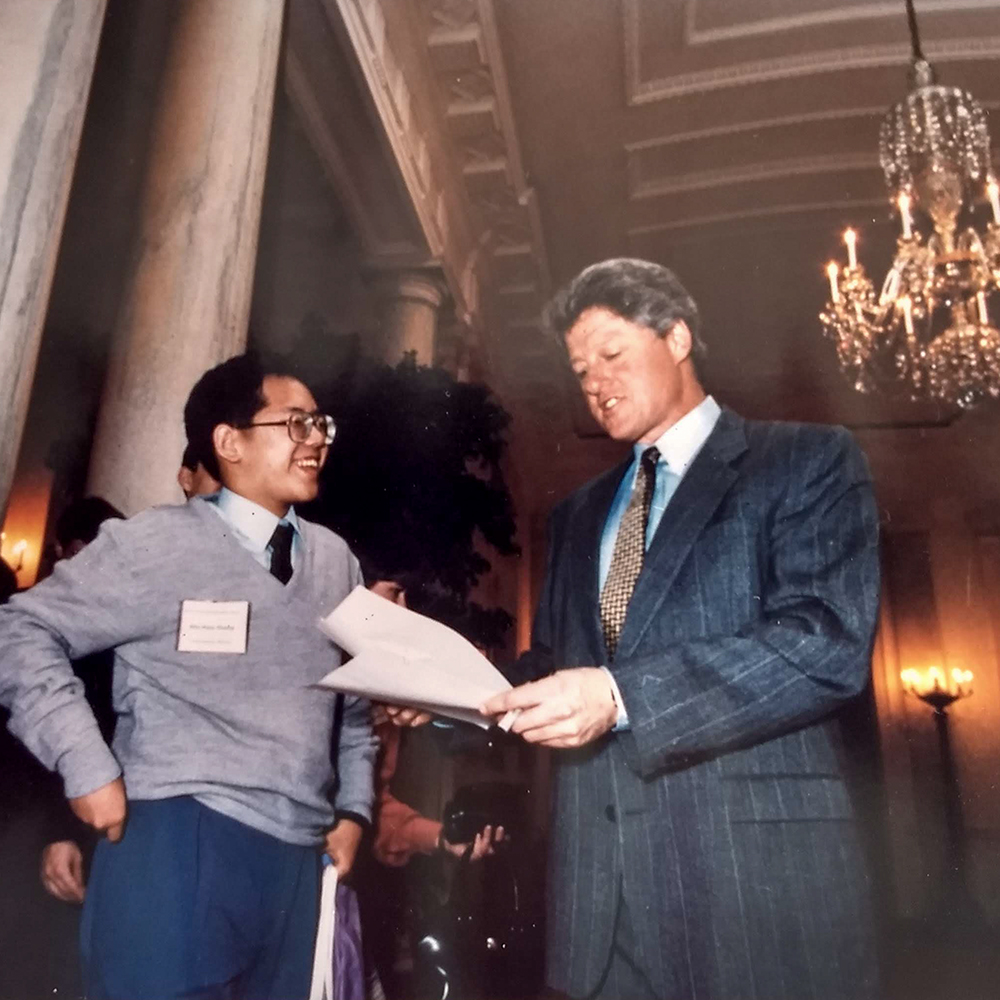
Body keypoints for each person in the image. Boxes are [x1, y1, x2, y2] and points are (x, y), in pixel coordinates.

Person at [474, 258, 882, 1000]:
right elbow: (557, 667)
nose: (593, 382)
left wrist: (620, 696)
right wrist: (452, 691)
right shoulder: (574, 516)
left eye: (610, 354)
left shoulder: (806, 460)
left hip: (748, 891)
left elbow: (826, 642)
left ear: (679, 336)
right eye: (578, 369)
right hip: (600, 903)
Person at [0, 354, 377, 1000]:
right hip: (177, 840)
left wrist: (354, 808)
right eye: (296, 423)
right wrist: (85, 763)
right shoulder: (153, 546)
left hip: (297, 857)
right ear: (228, 443)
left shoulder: (337, 562)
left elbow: (357, 699)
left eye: (321, 424)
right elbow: (19, 632)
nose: (316, 439)